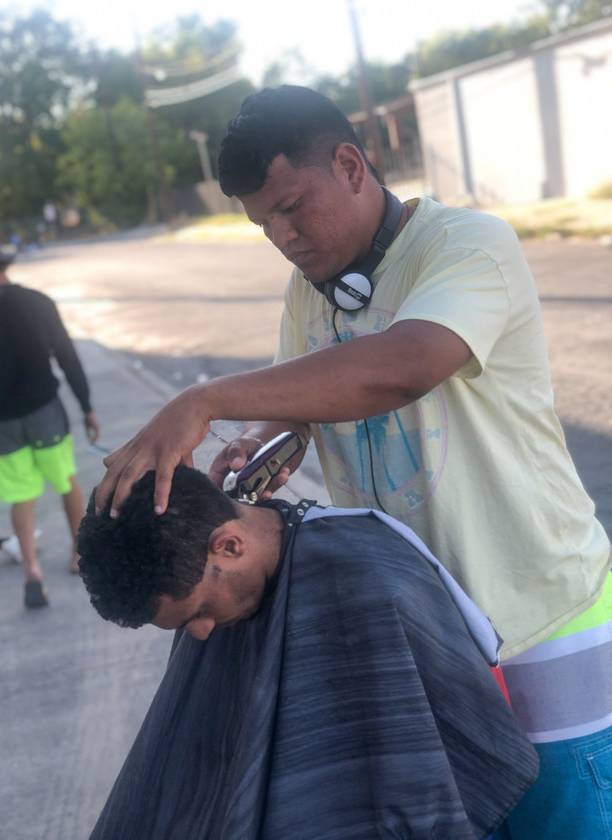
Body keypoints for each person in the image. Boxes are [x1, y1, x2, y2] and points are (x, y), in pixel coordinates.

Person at [94, 86, 611, 837]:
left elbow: (406, 362)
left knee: (563, 824)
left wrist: (203, 400)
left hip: (542, 618)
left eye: (292, 205)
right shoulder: (309, 293)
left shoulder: (469, 245)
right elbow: (298, 399)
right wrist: (261, 440)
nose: (282, 235)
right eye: (262, 221)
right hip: (423, 634)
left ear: (350, 163)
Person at [79, 465, 538, 840]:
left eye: (198, 612)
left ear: (230, 545)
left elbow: (447, 756)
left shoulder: (371, 579)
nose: (199, 634)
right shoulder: (201, 584)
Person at [0, 231, 100, 607]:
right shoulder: (38, 302)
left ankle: (32, 569)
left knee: (21, 496)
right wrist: (86, 406)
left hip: (4, 421)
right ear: (1, 263)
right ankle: (79, 554)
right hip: (46, 411)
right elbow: (67, 357)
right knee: (66, 482)